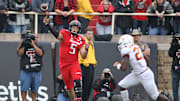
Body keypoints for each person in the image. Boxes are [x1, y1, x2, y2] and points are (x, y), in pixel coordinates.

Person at [43, 16, 90, 101]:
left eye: (76, 28)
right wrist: (48, 25)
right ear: (70, 27)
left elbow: (83, 55)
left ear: (79, 29)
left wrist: (86, 49)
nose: (74, 29)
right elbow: (57, 36)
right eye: (73, 27)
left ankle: (79, 99)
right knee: (69, 87)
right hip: (64, 65)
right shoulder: (65, 33)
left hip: (73, 64)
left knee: (77, 81)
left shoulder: (81, 40)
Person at [113, 34, 169, 101]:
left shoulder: (126, 51)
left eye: (121, 43)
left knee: (155, 96)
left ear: (126, 43)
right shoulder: (135, 47)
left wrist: (118, 66)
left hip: (144, 75)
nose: (120, 45)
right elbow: (146, 58)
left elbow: (124, 68)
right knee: (122, 85)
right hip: (137, 74)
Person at [16, 31, 44, 101]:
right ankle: (24, 100)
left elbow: (40, 53)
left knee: (34, 89)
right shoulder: (24, 45)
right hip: (26, 70)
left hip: (36, 70)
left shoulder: (39, 46)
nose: (33, 39)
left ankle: (33, 100)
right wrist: (23, 43)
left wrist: (33, 45)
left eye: (35, 38)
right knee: (24, 88)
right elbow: (19, 53)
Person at [78, 28, 97, 101]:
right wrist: (86, 64)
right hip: (85, 65)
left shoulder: (91, 43)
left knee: (89, 86)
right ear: (85, 34)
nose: (90, 35)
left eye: (91, 34)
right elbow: (81, 55)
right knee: (85, 86)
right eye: (88, 34)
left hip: (91, 65)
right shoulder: (83, 42)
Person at [168, 34, 180, 101]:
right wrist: (174, 46)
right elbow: (170, 54)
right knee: (175, 90)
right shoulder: (175, 45)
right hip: (175, 70)